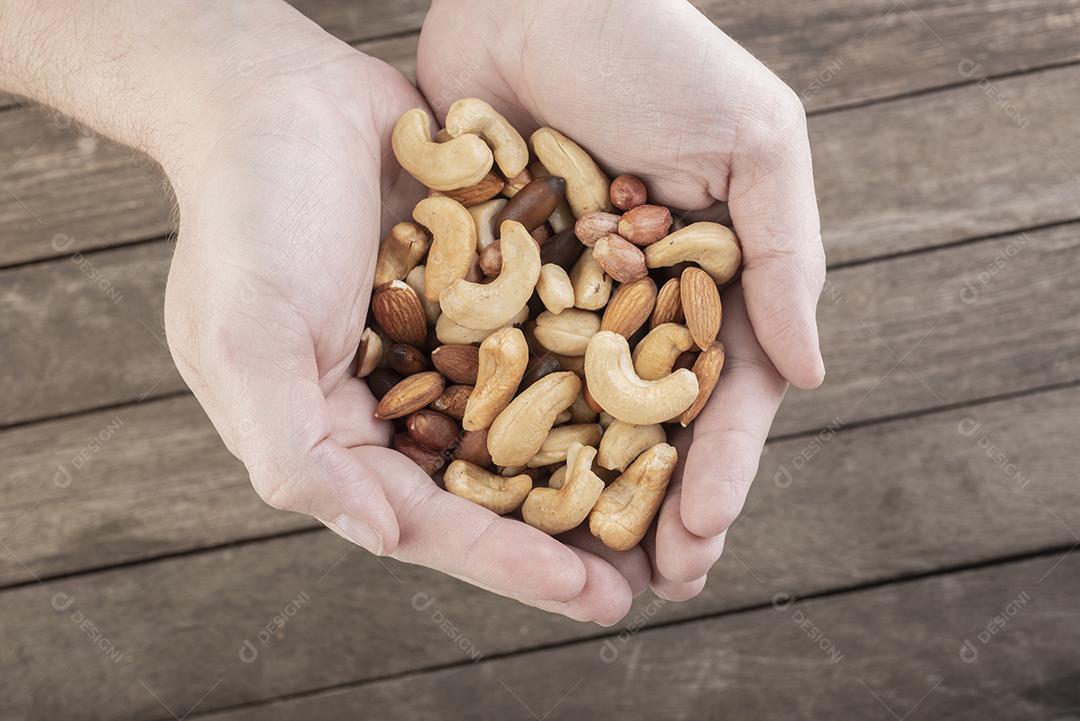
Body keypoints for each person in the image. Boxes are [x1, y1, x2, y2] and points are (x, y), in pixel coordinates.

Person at [0, 0, 824, 625]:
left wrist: (240, 80)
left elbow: (515, 397)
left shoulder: (547, 292)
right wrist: (237, 90)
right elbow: (504, 368)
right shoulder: (488, 277)